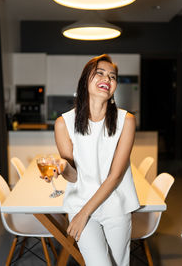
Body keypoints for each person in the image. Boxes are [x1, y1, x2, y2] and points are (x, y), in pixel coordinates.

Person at [47, 54, 140, 266]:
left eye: (112, 76)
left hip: (116, 206)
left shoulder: (126, 121)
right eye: (100, 73)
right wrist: (63, 167)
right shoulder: (64, 123)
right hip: (80, 204)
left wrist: (83, 214)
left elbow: (115, 176)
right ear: (84, 80)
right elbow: (73, 177)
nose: (107, 79)